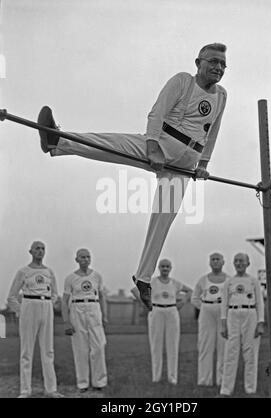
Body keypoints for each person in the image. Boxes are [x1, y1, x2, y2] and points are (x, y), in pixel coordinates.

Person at [37, 43, 227, 310]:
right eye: (213, 62)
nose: (218, 68)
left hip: (186, 163)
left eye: (222, 64)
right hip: (161, 144)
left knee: (164, 219)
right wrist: (152, 147)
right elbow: (158, 113)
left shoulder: (222, 95)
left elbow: (213, 131)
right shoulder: (183, 81)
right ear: (199, 63)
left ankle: (143, 278)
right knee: (113, 145)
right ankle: (58, 141)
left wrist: (203, 163)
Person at [7, 241, 64, 398]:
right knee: (26, 350)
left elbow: (54, 293)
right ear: (30, 251)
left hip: (45, 306)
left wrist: (49, 305)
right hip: (28, 305)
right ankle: (25, 391)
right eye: (37, 248)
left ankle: (51, 389)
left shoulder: (49, 272)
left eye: (43, 248)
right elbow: (11, 297)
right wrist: (21, 311)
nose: (40, 251)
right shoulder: (23, 272)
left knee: (48, 350)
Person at [131, 258, 192, 384]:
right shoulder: (152, 282)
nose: (165, 269)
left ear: (170, 268)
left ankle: (172, 377)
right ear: (159, 268)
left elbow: (189, 291)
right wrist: (145, 303)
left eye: (167, 266)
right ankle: (156, 377)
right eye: (163, 266)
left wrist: (184, 301)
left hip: (171, 310)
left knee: (173, 344)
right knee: (156, 344)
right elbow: (135, 290)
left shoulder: (175, 283)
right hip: (156, 310)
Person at [61, 248, 108, 393]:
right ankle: (83, 383)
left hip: (94, 308)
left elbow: (102, 297)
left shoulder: (97, 276)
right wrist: (66, 321)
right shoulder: (70, 278)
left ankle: (99, 382)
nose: (85, 260)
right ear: (76, 259)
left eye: (88, 257)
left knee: (99, 347)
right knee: (80, 348)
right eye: (82, 257)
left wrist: (105, 315)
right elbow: (64, 301)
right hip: (77, 309)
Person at [219, 253, 264, 396]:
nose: (239, 264)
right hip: (233, 315)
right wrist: (223, 324)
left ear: (248, 263)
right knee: (230, 353)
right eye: (236, 261)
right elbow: (224, 304)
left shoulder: (253, 281)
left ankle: (250, 388)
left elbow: (260, 303)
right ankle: (226, 389)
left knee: (250, 353)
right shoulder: (229, 282)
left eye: (242, 261)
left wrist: (260, 322)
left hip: (250, 314)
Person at [191, 253, 230, 387]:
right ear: (209, 262)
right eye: (212, 259)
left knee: (223, 345)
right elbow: (194, 298)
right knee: (205, 345)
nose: (215, 262)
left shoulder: (229, 280)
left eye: (218, 259)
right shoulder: (203, 280)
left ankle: (222, 380)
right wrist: (204, 307)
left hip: (223, 312)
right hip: (207, 310)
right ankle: (204, 380)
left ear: (223, 262)